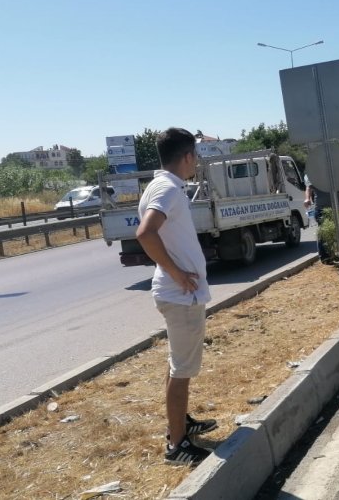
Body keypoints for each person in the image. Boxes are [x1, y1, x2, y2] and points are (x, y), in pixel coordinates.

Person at [136, 127, 217, 465]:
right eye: (195, 155)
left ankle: (179, 423)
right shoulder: (169, 188)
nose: (196, 161)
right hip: (180, 295)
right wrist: (177, 273)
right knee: (182, 370)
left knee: (176, 364)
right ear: (187, 156)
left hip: (176, 293)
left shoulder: (159, 185)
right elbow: (145, 233)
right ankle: (177, 446)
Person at [304, 174, 336, 264]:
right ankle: (324, 257)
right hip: (321, 209)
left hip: (334, 208)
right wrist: (307, 199)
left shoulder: (331, 173)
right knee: (323, 233)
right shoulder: (315, 175)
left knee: (333, 232)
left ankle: (332, 254)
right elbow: (308, 188)